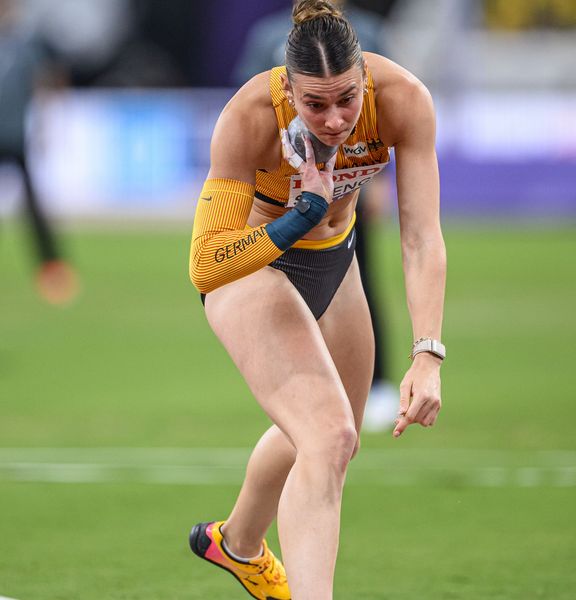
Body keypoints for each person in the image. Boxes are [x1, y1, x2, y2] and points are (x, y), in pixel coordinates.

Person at [187, 1, 446, 598]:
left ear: (365, 77)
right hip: (252, 266)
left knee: (334, 435)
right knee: (327, 436)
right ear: (289, 90)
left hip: (337, 260)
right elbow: (207, 264)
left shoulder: (403, 99)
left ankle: (236, 544)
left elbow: (420, 236)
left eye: (347, 99)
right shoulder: (250, 115)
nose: (334, 120)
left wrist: (427, 352)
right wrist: (299, 216)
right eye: (315, 104)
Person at [232, 0, 400, 433]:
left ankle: (377, 382)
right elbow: (244, 103)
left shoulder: (367, 35)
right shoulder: (268, 36)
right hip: (276, 199)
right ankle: (303, 386)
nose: (333, 117)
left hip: (345, 195)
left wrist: (380, 181)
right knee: (277, 299)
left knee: (364, 278)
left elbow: (383, 110)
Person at [0, 0, 78, 304]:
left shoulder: (25, 43)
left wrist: (47, 123)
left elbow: (44, 81)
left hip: (15, 137)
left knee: (33, 208)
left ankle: (51, 268)